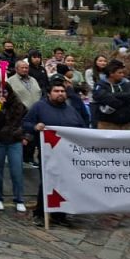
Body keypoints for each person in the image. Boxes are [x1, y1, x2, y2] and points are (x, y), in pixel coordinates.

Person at [23, 82, 87, 227]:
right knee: (47, 182)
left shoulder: (70, 109)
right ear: (49, 94)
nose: (60, 93)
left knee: (65, 183)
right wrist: (35, 126)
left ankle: (60, 215)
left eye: (62, 91)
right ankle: (40, 214)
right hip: (48, 153)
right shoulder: (39, 107)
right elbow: (26, 123)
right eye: (56, 91)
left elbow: (82, 127)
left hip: (68, 154)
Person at [0, 85, 28, 212]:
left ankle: (19, 199)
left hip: (14, 140)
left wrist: (24, 135)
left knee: (16, 171)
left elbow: (25, 120)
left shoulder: (18, 104)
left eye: (4, 92)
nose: (2, 94)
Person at [93, 59, 130, 130]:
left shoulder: (126, 84)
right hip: (107, 123)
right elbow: (101, 96)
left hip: (125, 123)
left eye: (123, 73)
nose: (122, 75)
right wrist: (121, 100)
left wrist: (114, 95)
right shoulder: (101, 84)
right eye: (119, 73)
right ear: (111, 73)